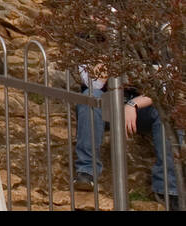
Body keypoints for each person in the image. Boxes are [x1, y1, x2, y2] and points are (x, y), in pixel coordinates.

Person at [75, 66, 182, 208]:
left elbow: (162, 89)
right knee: (90, 95)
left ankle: (168, 188)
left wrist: (132, 104)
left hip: (141, 106)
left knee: (167, 112)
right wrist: (110, 61)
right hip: (105, 105)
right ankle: (86, 172)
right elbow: (93, 84)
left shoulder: (159, 47)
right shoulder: (89, 45)